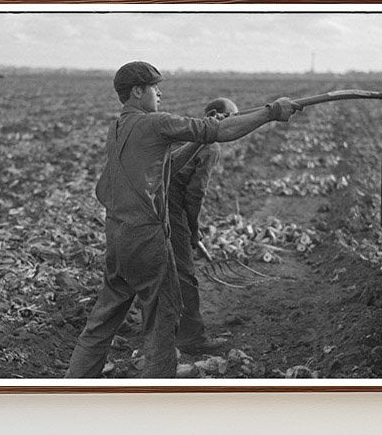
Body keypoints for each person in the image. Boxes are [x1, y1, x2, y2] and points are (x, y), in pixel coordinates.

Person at [66, 62, 300, 379]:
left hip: (118, 238)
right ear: (137, 92)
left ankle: (75, 385)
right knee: (163, 318)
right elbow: (221, 131)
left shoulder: (119, 128)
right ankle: (157, 397)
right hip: (147, 240)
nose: (159, 93)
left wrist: (197, 141)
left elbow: (166, 169)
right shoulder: (154, 124)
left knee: (102, 320)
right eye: (154, 88)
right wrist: (272, 112)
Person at [168, 97, 239, 356]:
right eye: (231, 117)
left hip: (145, 202)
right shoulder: (210, 147)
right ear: (212, 115)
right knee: (185, 274)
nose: (235, 124)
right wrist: (193, 232)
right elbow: (194, 194)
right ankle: (191, 337)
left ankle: (162, 327)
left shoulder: (181, 134)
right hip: (170, 206)